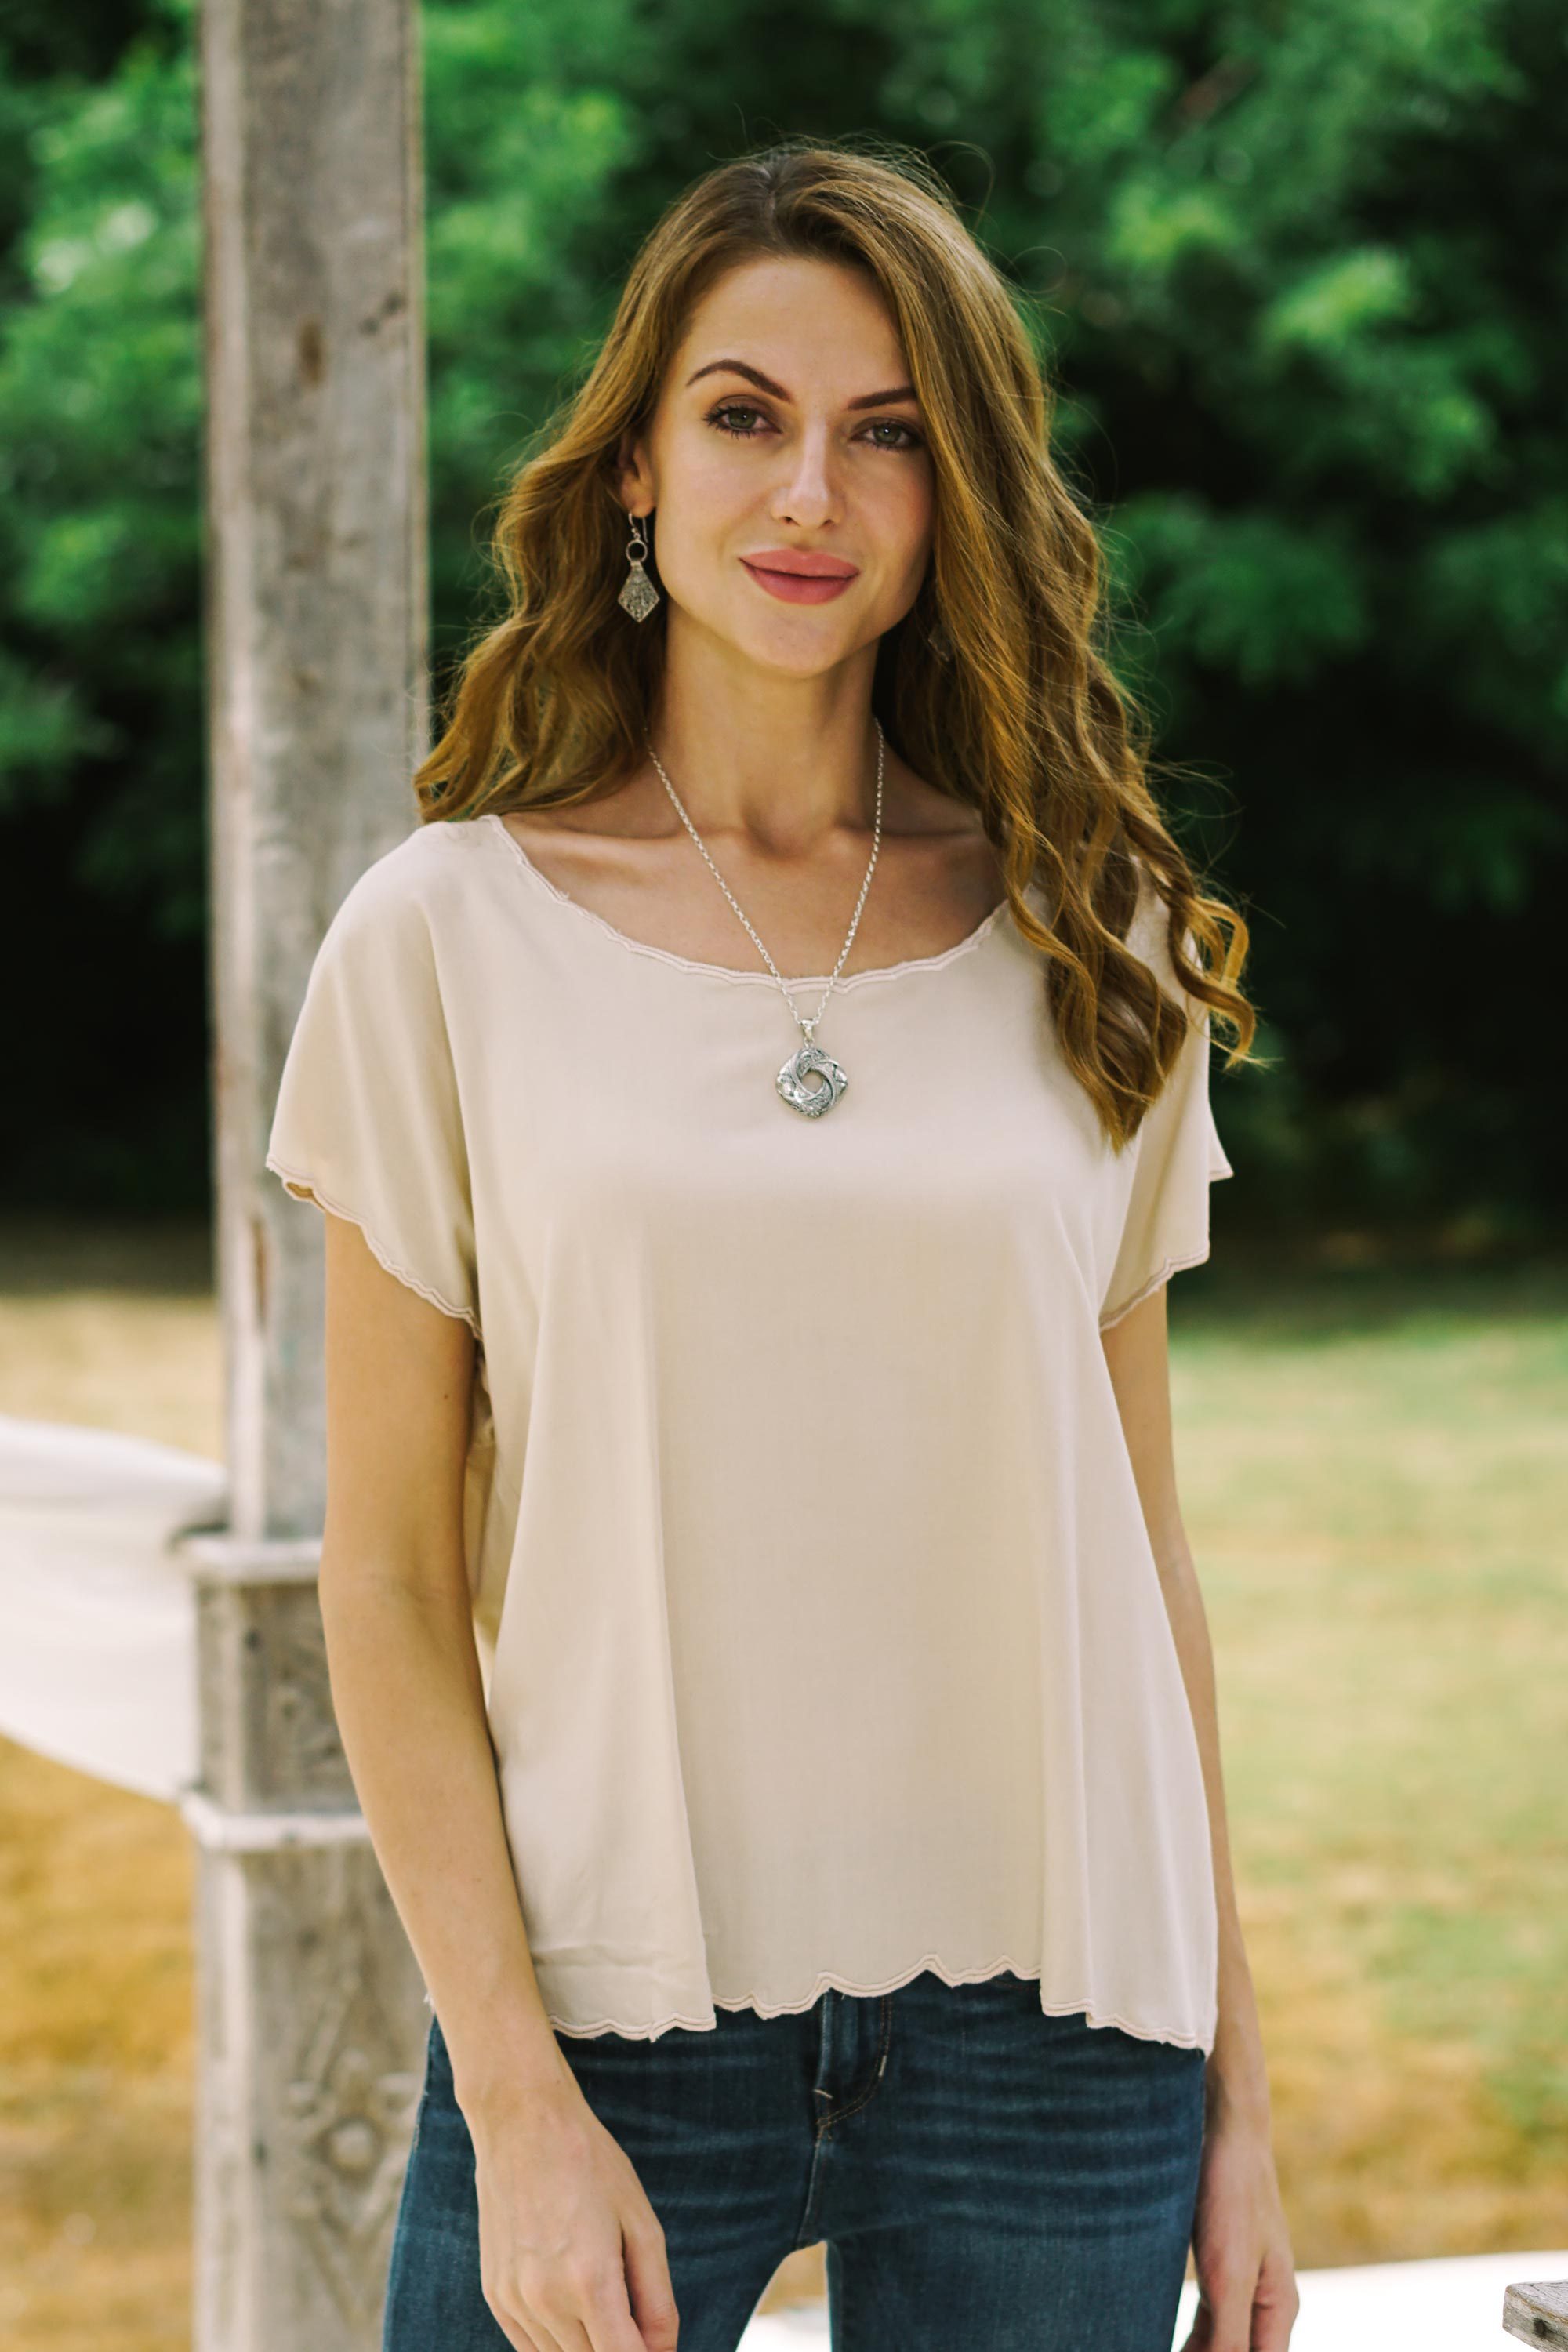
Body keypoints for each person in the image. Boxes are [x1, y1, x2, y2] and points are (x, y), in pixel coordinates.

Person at [266, 136, 1299, 2352]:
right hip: (609, 2025)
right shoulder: (443, 941)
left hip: (1061, 2040)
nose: (811, 493)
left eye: (887, 434)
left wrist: (1239, 2097)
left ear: (953, 498)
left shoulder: (1089, 933)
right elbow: (387, 1581)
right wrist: (517, 2105)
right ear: (635, 468)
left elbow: (1143, 1562)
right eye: (745, 415)